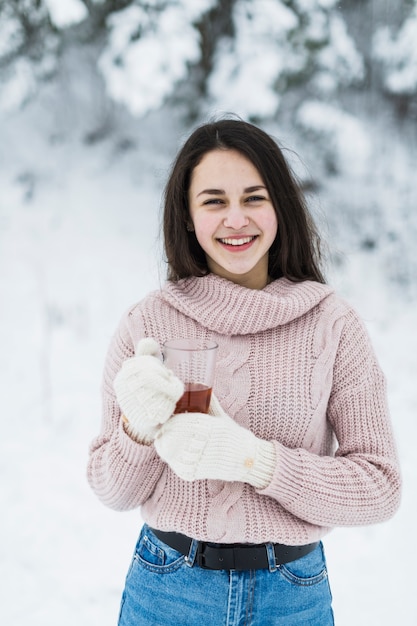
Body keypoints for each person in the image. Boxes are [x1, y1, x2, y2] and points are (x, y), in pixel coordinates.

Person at [87, 118, 401, 625]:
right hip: (168, 590)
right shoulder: (148, 322)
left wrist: (257, 462)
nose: (236, 219)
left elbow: (379, 487)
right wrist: (137, 430)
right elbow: (113, 491)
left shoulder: (331, 324)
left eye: (253, 198)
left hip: (292, 595)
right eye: (213, 201)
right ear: (188, 216)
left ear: (280, 206)